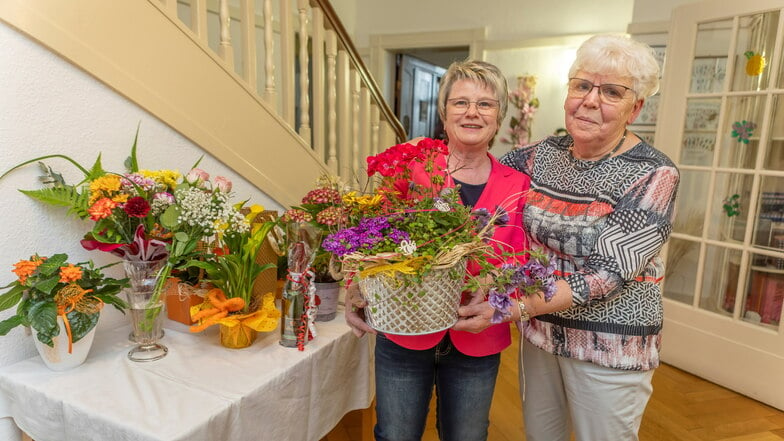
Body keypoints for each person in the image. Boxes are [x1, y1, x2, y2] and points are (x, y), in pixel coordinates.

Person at [494, 34, 680, 440]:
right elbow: (485, 177)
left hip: (608, 348)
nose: (590, 100)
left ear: (636, 108)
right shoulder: (541, 155)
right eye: (582, 85)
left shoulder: (653, 173)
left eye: (612, 92)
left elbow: (604, 275)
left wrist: (510, 308)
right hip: (541, 336)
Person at [345, 59, 531, 441]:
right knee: (395, 435)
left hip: (477, 336)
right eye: (460, 102)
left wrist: (496, 280)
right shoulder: (410, 168)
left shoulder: (518, 183)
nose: (472, 113)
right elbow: (369, 233)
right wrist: (354, 284)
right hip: (404, 330)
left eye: (486, 104)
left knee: (467, 436)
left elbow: (520, 254)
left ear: (499, 118)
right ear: (444, 113)